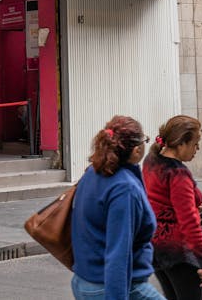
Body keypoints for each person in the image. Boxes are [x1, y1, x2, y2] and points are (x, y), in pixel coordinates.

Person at [70, 116, 164, 300]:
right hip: (111, 287)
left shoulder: (92, 173)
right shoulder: (124, 189)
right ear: (136, 150)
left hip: (84, 281)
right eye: (145, 140)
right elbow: (118, 254)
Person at [143, 115, 202, 300]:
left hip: (156, 246)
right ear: (181, 143)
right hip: (178, 251)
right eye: (195, 144)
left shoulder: (151, 161)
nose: (197, 149)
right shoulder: (177, 174)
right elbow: (189, 222)